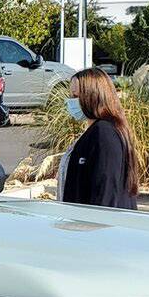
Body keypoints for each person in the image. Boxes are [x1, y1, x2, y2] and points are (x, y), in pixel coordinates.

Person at [57, 67, 139, 210]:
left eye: (75, 96)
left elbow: (106, 190)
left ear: (93, 96)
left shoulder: (104, 133)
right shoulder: (98, 130)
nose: (70, 102)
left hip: (96, 226)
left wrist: (95, 227)